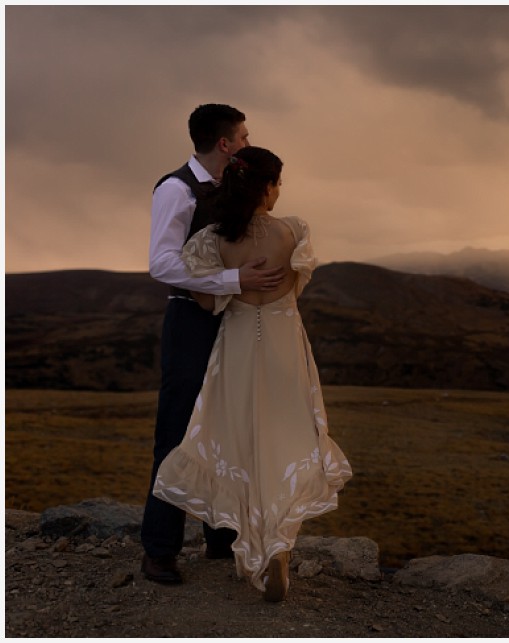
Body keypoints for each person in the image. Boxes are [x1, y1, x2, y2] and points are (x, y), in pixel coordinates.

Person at [151, 146, 352, 602]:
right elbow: (298, 285)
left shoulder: (213, 240)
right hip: (284, 348)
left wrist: (232, 280)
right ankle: (277, 547)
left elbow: (206, 301)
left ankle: (247, 541)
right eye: (278, 183)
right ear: (267, 187)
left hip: (237, 348)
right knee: (285, 441)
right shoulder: (294, 231)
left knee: (241, 442)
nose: (281, 192)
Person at [142, 104, 286, 585]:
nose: (248, 142)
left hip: (232, 322)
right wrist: (231, 277)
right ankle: (158, 550)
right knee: (178, 431)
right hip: (190, 321)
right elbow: (161, 263)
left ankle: (220, 539)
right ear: (224, 142)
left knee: (226, 427)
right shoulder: (176, 189)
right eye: (243, 136)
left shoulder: (233, 186)